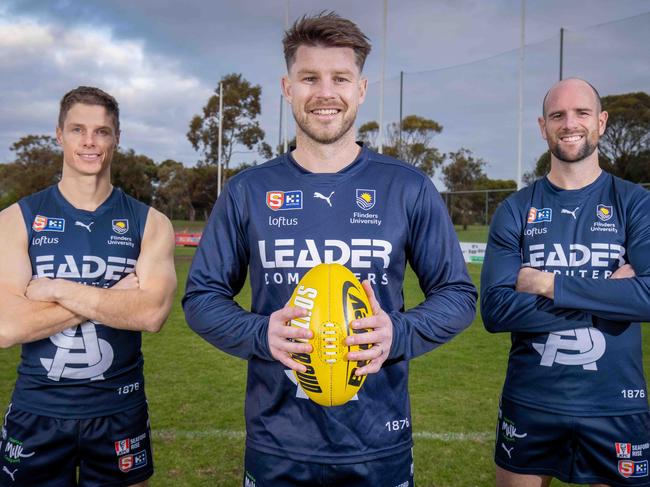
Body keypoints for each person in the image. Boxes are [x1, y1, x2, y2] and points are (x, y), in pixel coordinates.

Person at [183, 12, 477, 487]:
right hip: (278, 440)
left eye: (340, 78)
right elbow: (201, 299)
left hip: (378, 438)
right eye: (309, 78)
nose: (325, 92)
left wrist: (395, 333)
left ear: (361, 89)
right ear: (287, 87)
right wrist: (263, 334)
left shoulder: (407, 187)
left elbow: (458, 294)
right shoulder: (247, 191)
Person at [0, 86, 177, 487]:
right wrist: (116, 294)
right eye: (78, 129)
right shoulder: (15, 219)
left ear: (116, 138)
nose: (89, 142)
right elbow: (7, 327)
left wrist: (56, 289)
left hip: (119, 408)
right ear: (59, 134)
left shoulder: (150, 222)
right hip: (37, 408)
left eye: (101, 131)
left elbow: (150, 314)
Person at [481, 77, 650, 487]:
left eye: (581, 113)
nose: (569, 123)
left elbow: (647, 296)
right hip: (531, 401)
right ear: (543, 127)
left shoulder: (634, 202)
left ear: (602, 122)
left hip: (615, 403)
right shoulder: (516, 210)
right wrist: (613, 295)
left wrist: (550, 284)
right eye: (557, 115)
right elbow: (496, 310)